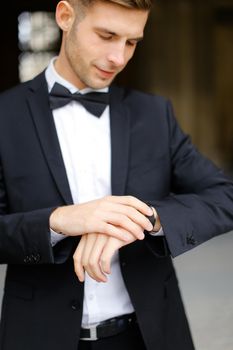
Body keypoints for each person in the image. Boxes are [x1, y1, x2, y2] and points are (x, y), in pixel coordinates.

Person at [0, 0, 232, 349]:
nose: (119, 58)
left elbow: (224, 194)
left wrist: (144, 219)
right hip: (40, 335)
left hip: (149, 335)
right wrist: (58, 220)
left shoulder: (154, 115)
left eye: (131, 42)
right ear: (65, 16)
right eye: (106, 35)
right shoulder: (4, 115)